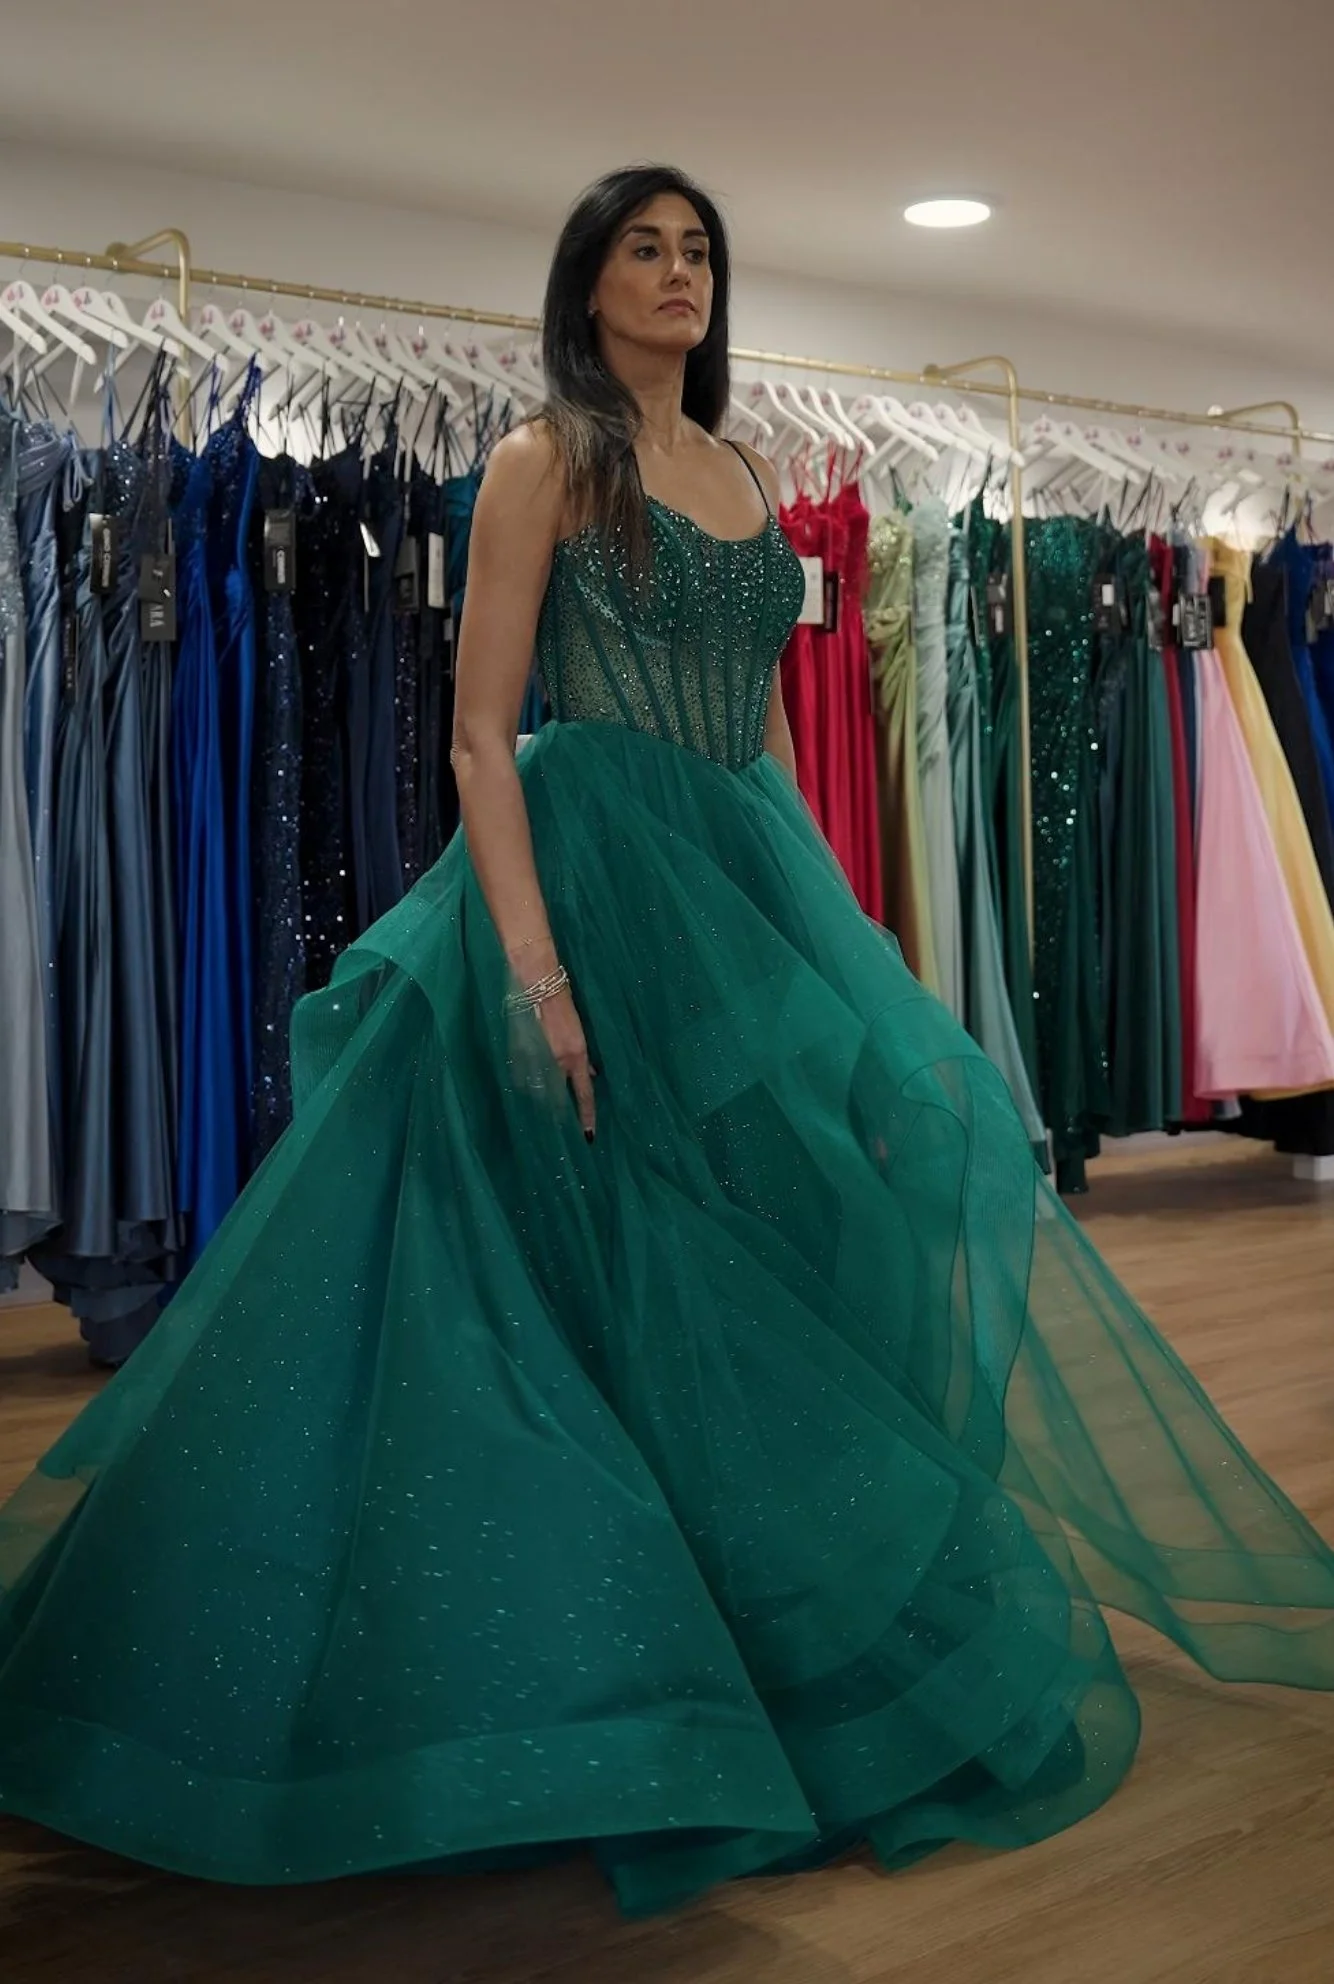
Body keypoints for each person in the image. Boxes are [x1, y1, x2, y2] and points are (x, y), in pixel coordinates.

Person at [1, 165, 1332, 1921]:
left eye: (700, 248)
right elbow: (483, 737)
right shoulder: (550, 462)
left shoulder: (745, 472)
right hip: (581, 876)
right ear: (587, 280)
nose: (679, 272)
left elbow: (769, 735)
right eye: (645, 246)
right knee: (562, 1262)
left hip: (727, 874)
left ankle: (739, 1630)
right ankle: (555, 1670)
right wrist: (536, 979)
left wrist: (835, 939)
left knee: (751, 1243)